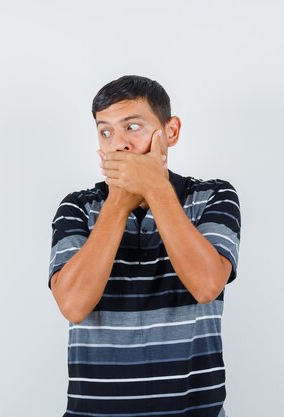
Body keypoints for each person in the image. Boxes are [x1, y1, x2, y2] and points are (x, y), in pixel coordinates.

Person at [47, 75, 241, 417]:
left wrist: (156, 188)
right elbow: (74, 305)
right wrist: (119, 203)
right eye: (105, 131)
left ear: (171, 132)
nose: (117, 144)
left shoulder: (213, 196)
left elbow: (208, 285)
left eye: (132, 127)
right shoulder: (78, 207)